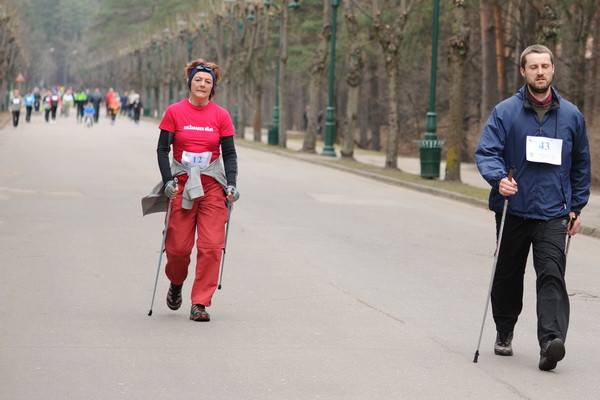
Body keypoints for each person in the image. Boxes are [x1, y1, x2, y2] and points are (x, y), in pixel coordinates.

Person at [475, 44, 591, 372]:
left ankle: (550, 343)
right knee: (508, 275)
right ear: (523, 72)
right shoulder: (505, 111)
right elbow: (486, 151)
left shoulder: (571, 115)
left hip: (554, 212)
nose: (540, 71)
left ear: (553, 69)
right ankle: (505, 329)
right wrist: (500, 180)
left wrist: (576, 208)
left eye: (545, 66)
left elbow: (581, 163)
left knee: (552, 274)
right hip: (513, 207)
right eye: (533, 66)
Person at [144, 59, 239, 322]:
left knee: (210, 247)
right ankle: (176, 283)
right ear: (190, 83)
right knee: (177, 250)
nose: (202, 84)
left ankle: (200, 302)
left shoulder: (221, 116)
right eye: (198, 79)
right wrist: (167, 181)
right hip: (182, 187)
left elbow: (229, 154)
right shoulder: (175, 112)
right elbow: (163, 150)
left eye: (208, 82)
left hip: (211, 188)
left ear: (213, 88)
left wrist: (231, 183)